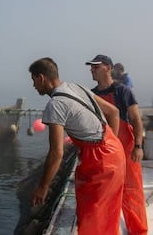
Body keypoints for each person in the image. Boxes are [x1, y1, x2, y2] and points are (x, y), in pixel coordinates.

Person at [29, 57, 125, 234]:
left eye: (33, 80)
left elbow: (56, 153)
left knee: (92, 221)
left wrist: (43, 187)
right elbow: (114, 111)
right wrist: (110, 144)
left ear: (41, 77)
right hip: (115, 151)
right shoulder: (77, 87)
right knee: (107, 218)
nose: (34, 85)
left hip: (101, 161)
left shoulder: (55, 105)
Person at [86, 54, 148, 235]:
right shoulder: (92, 95)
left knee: (132, 192)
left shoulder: (123, 91)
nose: (92, 69)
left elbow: (136, 120)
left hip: (127, 148)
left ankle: (139, 231)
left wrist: (138, 146)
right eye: (91, 67)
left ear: (108, 68)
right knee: (105, 194)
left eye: (96, 66)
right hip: (104, 150)